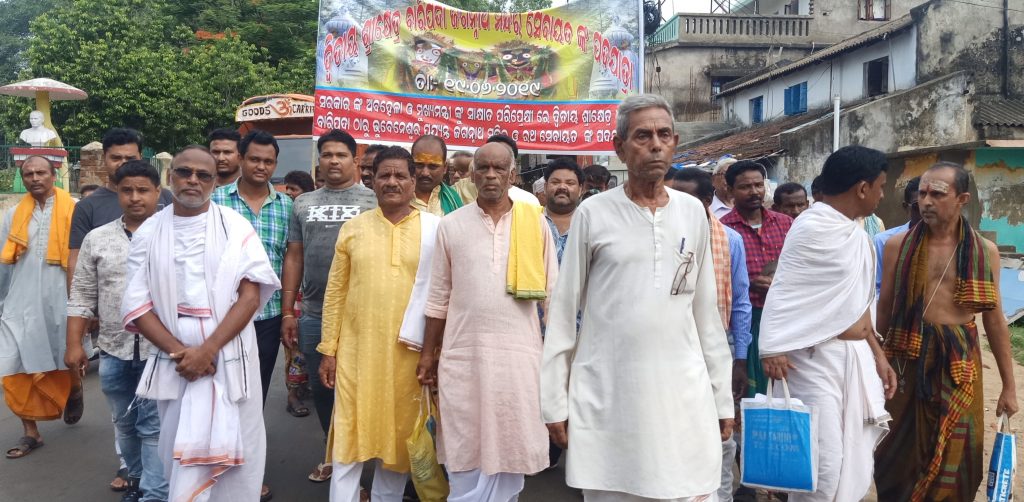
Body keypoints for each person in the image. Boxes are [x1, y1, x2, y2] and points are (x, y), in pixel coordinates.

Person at [542, 95, 734, 502]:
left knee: (691, 489)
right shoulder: (594, 213)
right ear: (619, 147)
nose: (655, 144)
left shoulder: (692, 213)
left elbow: (705, 312)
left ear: (675, 141)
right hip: (611, 395)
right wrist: (554, 401)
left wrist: (721, 396)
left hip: (682, 393)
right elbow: (563, 311)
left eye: (664, 135)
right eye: (643, 135)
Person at [121, 146, 280, 502]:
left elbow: (250, 297)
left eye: (203, 175)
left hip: (230, 356)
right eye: (184, 172)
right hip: (176, 362)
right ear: (169, 176)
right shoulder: (149, 232)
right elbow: (136, 305)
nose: (193, 180)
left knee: (242, 443)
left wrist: (206, 350)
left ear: (213, 182)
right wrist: (184, 355)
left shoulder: (235, 226)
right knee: (177, 445)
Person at [417, 141, 557, 502]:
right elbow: (438, 296)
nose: (491, 175)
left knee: (512, 441)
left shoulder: (535, 223)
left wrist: (557, 360)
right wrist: (429, 354)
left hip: (520, 357)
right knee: (464, 440)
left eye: (499, 169)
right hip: (463, 354)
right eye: (483, 168)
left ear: (513, 175)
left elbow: (553, 297)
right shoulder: (450, 226)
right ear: (470, 175)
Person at [875, 162, 1018, 501]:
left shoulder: (984, 251)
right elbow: (885, 309)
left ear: (961, 199)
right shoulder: (898, 245)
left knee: (959, 454)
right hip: (905, 360)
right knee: (895, 454)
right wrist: (876, 362)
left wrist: (1010, 386)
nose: (926, 201)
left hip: (958, 365)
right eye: (922, 193)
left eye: (937, 194)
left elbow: (994, 320)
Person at [760, 145, 895, 502]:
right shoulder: (813, 226)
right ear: (863, 188)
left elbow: (860, 303)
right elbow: (785, 292)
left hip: (852, 358)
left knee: (852, 459)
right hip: (813, 359)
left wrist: (878, 355)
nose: (883, 195)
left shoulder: (856, 232)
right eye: (881, 187)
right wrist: (771, 347)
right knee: (822, 466)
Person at [316, 146, 436, 501]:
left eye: (401, 175)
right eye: (384, 175)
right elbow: (335, 293)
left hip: (408, 357)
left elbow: (442, 298)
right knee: (348, 443)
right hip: (357, 356)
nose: (392, 182)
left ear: (414, 182)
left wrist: (436, 354)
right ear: (373, 181)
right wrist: (328, 350)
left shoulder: (435, 230)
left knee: (398, 445)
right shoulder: (353, 229)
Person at [68, 127, 172, 491]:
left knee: (153, 425)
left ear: (158, 193)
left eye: (143, 190)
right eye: (127, 190)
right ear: (117, 192)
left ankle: (155, 494)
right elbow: (81, 292)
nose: (134, 197)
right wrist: (75, 344)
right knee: (124, 422)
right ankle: (136, 478)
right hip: (113, 348)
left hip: (162, 350)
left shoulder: (172, 235)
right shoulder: (98, 237)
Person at [280, 129, 378, 483]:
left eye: (341, 154)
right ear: (319, 161)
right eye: (327, 154)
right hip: (315, 315)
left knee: (365, 389)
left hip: (365, 317)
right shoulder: (302, 203)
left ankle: (367, 466)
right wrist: (289, 311)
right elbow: (294, 256)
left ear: (355, 160)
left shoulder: (375, 199)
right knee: (323, 388)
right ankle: (333, 453)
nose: (334, 160)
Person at [670, 167, 753, 502]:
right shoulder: (663, 237)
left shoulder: (729, 240)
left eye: (685, 198)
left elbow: (742, 300)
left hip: (716, 347)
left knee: (720, 429)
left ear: (706, 201)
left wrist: (740, 359)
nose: (675, 204)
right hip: (671, 348)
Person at [1, 156, 78, 459]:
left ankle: (74, 388)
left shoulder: (75, 207)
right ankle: (29, 431)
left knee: (67, 357)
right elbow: (4, 262)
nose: (35, 178)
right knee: (12, 365)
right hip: (19, 302)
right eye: (29, 174)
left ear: (54, 174)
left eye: (41, 172)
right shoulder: (12, 215)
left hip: (62, 299)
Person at [720, 160, 793, 397]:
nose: (754, 192)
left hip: (783, 318)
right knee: (751, 394)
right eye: (745, 187)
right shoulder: (723, 230)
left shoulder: (785, 224)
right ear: (730, 191)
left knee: (786, 389)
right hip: (744, 320)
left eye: (758, 185)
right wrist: (748, 284)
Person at [451, 135, 541, 206]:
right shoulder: (460, 194)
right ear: (473, 175)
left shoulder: (529, 201)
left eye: (498, 167)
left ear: (512, 173)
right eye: (484, 167)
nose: (491, 175)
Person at [873, 176, 921, 296]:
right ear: (906, 207)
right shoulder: (883, 241)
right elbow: (876, 289)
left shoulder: (948, 243)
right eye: (918, 206)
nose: (925, 212)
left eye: (931, 206)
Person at [410, 135, 463, 216]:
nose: (425, 173)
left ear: (445, 168)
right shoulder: (397, 198)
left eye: (433, 166)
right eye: (419, 165)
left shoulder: (454, 199)